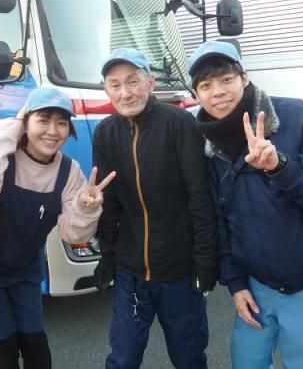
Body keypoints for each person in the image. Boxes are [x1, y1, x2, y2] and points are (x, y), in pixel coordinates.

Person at [187, 40, 303, 368]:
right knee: (247, 361)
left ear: (244, 78)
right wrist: (236, 282)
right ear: (196, 94)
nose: (218, 92)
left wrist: (281, 166)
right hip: (258, 286)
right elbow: (222, 220)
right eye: (206, 85)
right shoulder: (209, 145)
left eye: (226, 80)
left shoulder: (301, 119)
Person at [0, 87, 115, 369]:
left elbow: (73, 234)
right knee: (4, 347)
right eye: (43, 120)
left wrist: (86, 207)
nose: (53, 131)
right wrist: (15, 127)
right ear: (25, 123)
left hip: (24, 270)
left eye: (61, 122)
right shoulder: (3, 160)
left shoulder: (69, 171)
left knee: (35, 343)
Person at [92, 47, 219, 369]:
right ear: (107, 90)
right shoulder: (105, 133)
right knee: (123, 358)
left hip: (179, 270)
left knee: (189, 358)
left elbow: (200, 197)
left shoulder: (179, 124)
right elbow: (109, 201)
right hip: (130, 272)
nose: (125, 92)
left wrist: (205, 258)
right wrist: (106, 252)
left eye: (133, 81)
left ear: (150, 83)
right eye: (115, 84)